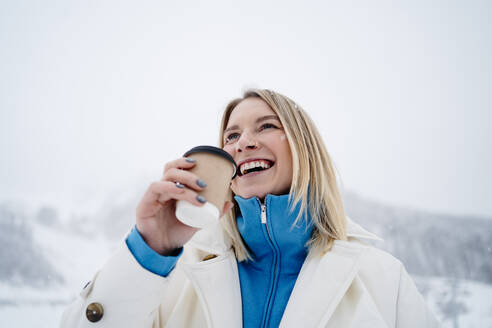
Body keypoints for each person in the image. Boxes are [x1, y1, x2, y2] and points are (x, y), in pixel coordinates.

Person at [60, 89, 439, 327]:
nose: (243, 143)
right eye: (232, 135)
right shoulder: (176, 273)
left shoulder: (382, 279)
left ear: (305, 148)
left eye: (266, 126)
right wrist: (151, 248)